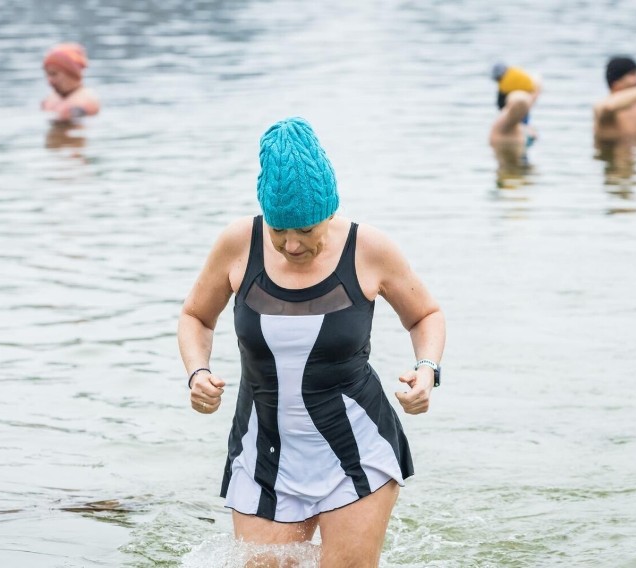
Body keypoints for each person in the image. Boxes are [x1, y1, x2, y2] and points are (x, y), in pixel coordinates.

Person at [177, 117, 446, 567]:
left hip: (356, 447)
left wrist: (427, 369)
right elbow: (195, 317)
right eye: (279, 229)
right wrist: (196, 372)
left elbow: (425, 315)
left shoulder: (369, 248)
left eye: (306, 229)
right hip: (263, 452)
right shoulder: (237, 244)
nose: (292, 244)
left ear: (330, 210)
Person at [41, 43, 99, 122]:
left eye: (54, 74)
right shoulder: (50, 99)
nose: (49, 81)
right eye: (47, 75)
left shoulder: (85, 101)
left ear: (71, 74)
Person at [489, 63, 541, 149]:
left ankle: (525, 132)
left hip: (519, 100)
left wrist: (502, 110)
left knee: (520, 120)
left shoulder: (505, 83)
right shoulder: (514, 71)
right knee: (524, 120)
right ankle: (527, 132)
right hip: (527, 95)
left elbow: (500, 101)